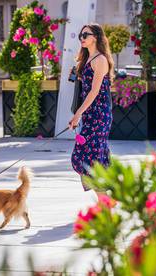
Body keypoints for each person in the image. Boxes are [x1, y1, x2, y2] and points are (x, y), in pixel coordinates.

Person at [69, 23, 114, 201]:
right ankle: (110, 196)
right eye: (81, 35)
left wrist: (78, 113)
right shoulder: (86, 59)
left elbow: (94, 91)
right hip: (89, 113)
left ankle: (105, 200)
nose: (82, 38)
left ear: (95, 36)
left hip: (99, 114)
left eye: (85, 35)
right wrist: (79, 113)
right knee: (89, 156)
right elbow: (83, 90)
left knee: (88, 157)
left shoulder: (100, 59)